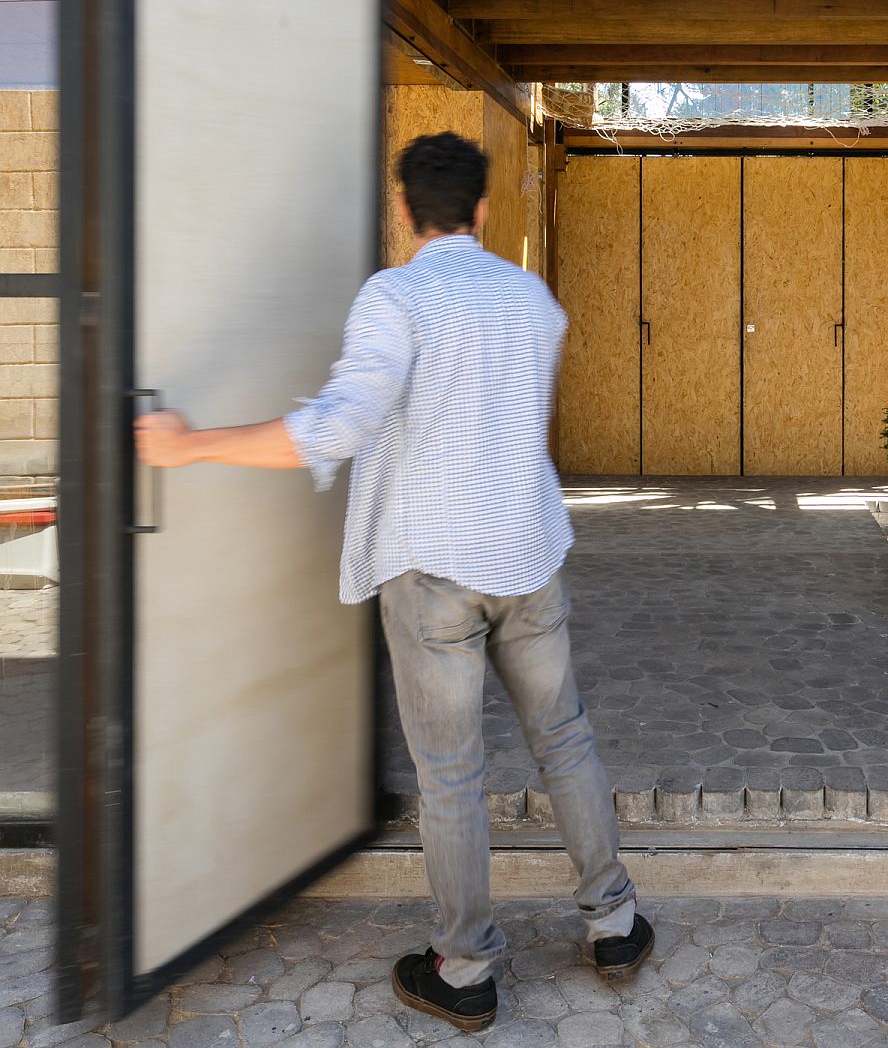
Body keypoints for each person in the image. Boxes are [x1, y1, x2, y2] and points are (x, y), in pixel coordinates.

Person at [136, 128, 651, 1035]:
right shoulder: (534, 300)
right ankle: (614, 924)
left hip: (434, 570)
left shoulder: (397, 296)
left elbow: (338, 427)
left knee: (452, 776)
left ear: (406, 209)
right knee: (565, 739)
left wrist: (192, 445)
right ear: (484, 210)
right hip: (528, 555)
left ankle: (466, 972)